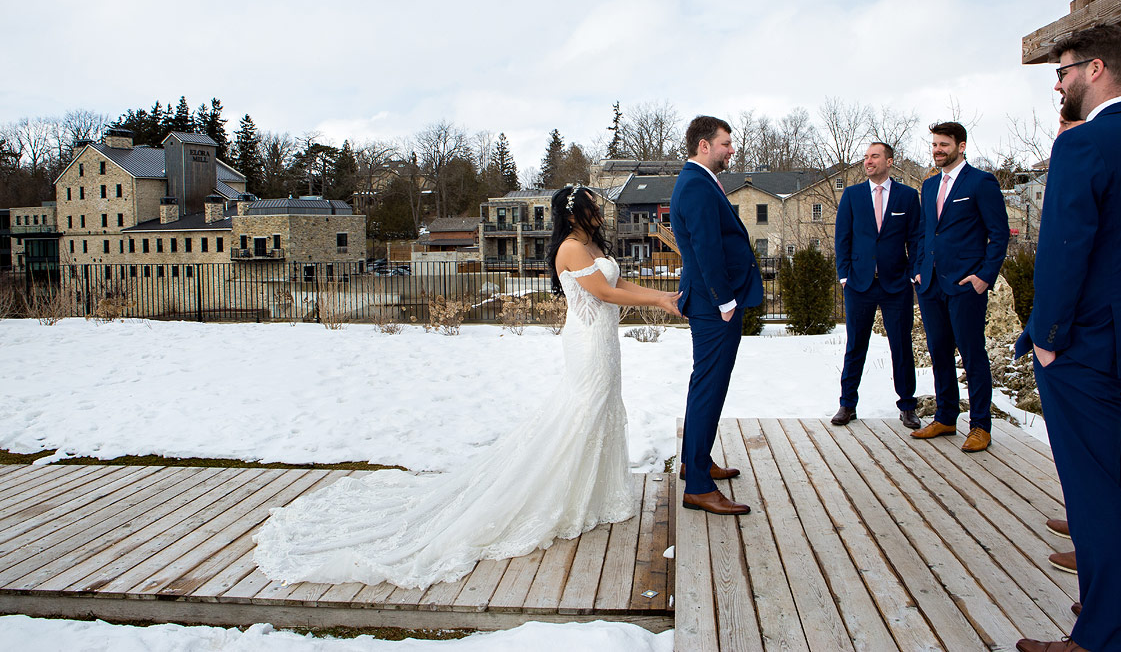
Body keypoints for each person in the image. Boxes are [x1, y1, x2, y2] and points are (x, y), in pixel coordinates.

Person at [253, 185, 681, 590]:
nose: (599, 211)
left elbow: (620, 284)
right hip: (587, 343)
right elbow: (604, 293)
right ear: (573, 212)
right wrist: (658, 301)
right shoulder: (570, 249)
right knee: (582, 411)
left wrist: (662, 295)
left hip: (605, 342)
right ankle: (557, 492)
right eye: (592, 204)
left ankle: (592, 492)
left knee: (603, 408)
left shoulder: (594, 247)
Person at [1014, 24, 1121, 652]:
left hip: (1083, 347)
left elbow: (1065, 250)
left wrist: (1048, 336)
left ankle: (1102, 634)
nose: (1057, 84)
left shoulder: (1084, 145)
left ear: (1093, 70)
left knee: (1093, 493)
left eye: (1061, 72)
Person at [669, 116, 763, 516]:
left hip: (713, 303)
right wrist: (725, 301)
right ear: (704, 145)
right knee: (709, 387)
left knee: (704, 385)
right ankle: (699, 488)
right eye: (726, 143)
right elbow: (706, 247)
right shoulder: (695, 184)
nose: (731, 150)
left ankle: (697, 463)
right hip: (714, 307)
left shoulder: (702, 181)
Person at [910, 121, 1009, 452]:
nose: (937, 150)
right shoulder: (929, 186)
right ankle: (946, 416)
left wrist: (984, 276)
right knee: (938, 352)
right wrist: (919, 269)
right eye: (934, 144)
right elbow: (925, 231)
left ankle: (981, 425)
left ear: (961, 146)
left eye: (944, 144)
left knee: (972, 354)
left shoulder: (981, 183)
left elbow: (999, 233)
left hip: (966, 284)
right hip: (931, 283)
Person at [831, 141, 922, 429]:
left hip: (896, 285)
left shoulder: (907, 197)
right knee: (855, 346)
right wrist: (844, 275)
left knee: (901, 346)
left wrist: (912, 272)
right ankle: (847, 405)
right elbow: (842, 238)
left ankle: (907, 406)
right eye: (866, 157)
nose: (868, 161)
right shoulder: (853, 195)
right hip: (859, 284)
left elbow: (916, 239)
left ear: (889, 161)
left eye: (874, 156)